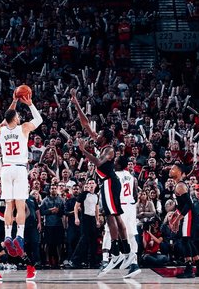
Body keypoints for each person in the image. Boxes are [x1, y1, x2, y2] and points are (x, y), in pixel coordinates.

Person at [70, 88, 133, 276]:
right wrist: (76, 103)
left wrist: (84, 151)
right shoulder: (101, 144)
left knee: (111, 216)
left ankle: (115, 252)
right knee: (115, 216)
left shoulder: (109, 150)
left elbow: (98, 162)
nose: (95, 136)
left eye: (98, 136)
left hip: (110, 182)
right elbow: (85, 124)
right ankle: (125, 250)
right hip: (106, 183)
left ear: (104, 137)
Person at [0, 89, 42, 282]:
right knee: (20, 205)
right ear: (15, 118)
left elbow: (6, 118)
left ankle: (7, 235)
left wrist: (13, 102)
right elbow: (38, 119)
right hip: (20, 169)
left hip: (5, 169)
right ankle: (19, 236)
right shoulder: (24, 129)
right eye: (18, 115)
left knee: (9, 205)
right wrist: (29, 103)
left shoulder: (1, 130)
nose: (21, 117)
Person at [101, 159, 141, 278]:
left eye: (116, 162)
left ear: (118, 165)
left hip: (120, 205)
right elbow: (135, 194)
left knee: (109, 231)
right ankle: (134, 264)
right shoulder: (130, 176)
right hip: (130, 206)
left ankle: (106, 260)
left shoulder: (115, 175)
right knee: (131, 234)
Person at [168, 164, 199, 278]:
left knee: (185, 241)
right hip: (188, 213)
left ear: (179, 172)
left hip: (189, 215)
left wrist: (177, 220)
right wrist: (175, 214)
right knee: (188, 241)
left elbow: (188, 205)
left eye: (173, 168)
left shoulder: (180, 186)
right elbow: (182, 204)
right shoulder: (179, 183)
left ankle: (189, 270)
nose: (171, 170)